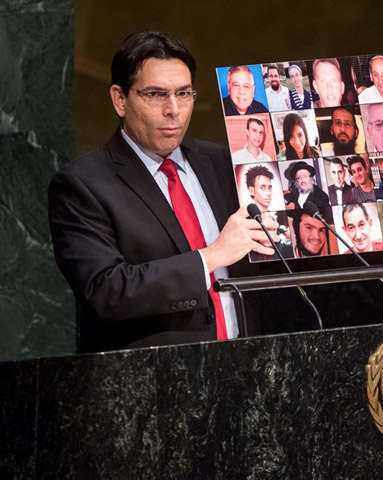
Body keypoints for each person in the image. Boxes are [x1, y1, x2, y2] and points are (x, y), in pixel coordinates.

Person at [48, 32, 278, 353]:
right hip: (154, 383)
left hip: (249, 366)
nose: (174, 109)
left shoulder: (225, 164)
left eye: (184, 93)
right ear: (120, 99)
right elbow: (105, 291)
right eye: (156, 94)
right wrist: (211, 257)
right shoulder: (81, 184)